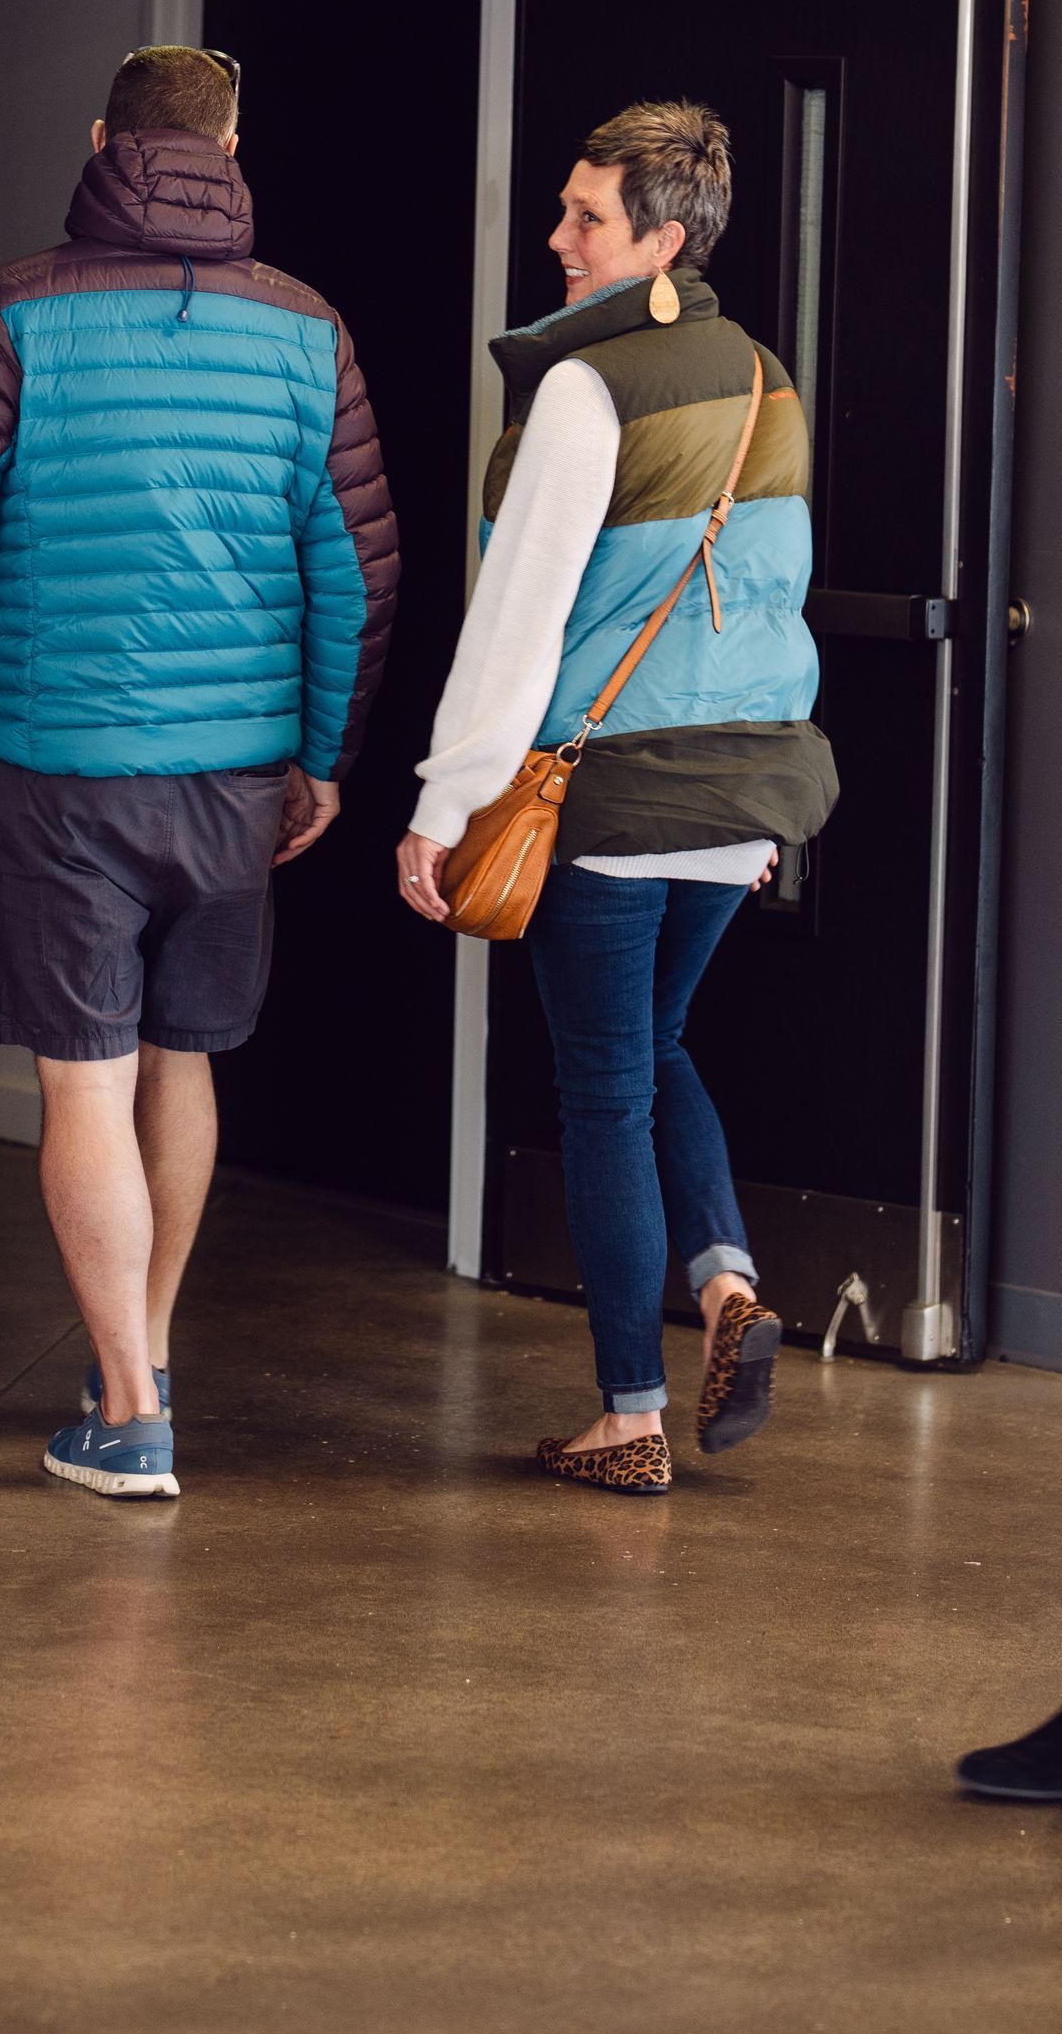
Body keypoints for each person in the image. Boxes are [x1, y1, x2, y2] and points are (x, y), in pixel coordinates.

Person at [0, 43, 397, 1501]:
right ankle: (142, 1358)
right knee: (184, 1058)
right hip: (239, 774)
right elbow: (357, 573)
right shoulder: (308, 328)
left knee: (85, 1083)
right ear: (235, 141)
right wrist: (323, 759)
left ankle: (126, 1408)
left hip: (65, 770)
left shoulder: (13, 306)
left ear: (105, 137)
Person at [397, 99, 835, 1493]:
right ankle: (724, 1287)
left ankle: (629, 1418)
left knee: (599, 1089)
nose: (557, 236)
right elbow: (768, 601)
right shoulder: (763, 380)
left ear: (661, 237)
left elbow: (517, 614)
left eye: (586, 216)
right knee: (653, 1048)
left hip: (610, 787)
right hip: (741, 787)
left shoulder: (587, 388)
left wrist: (445, 797)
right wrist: (754, 809)